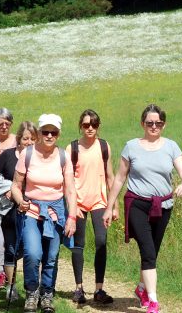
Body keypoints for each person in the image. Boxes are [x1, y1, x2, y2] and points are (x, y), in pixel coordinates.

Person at [102, 104, 182, 313]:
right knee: (148, 251)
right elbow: (119, 178)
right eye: (150, 123)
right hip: (137, 205)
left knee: (152, 251)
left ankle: (142, 287)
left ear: (164, 124)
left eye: (158, 123)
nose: (154, 126)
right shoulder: (131, 146)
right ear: (142, 124)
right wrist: (109, 207)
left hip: (163, 205)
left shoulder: (171, 146)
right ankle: (153, 300)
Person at [11, 114, 77, 313]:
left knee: (51, 257)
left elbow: (70, 190)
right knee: (33, 253)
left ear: (58, 134)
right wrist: (19, 200)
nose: (49, 135)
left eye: (53, 132)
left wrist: (72, 217)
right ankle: (32, 292)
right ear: (39, 133)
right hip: (32, 211)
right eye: (45, 131)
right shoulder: (27, 154)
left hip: (56, 213)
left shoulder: (63, 157)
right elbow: (16, 185)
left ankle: (47, 294)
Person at [65, 109, 115, 305]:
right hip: (78, 202)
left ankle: (99, 289)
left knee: (102, 242)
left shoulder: (104, 146)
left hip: (100, 201)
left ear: (98, 126)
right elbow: (66, 180)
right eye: (86, 125)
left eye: (93, 124)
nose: (90, 128)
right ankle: (79, 288)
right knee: (79, 244)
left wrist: (114, 206)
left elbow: (111, 177)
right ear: (80, 126)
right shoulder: (72, 149)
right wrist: (72, 205)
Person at [0, 121, 37, 301]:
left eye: (32, 139)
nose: (29, 142)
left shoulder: (39, 158)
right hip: (10, 210)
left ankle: (33, 288)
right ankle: (11, 286)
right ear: (18, 139)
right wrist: (7, 188)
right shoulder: (7, 155)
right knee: (10, 248)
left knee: (30, 249)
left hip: (32, 209)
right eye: (25, 139)